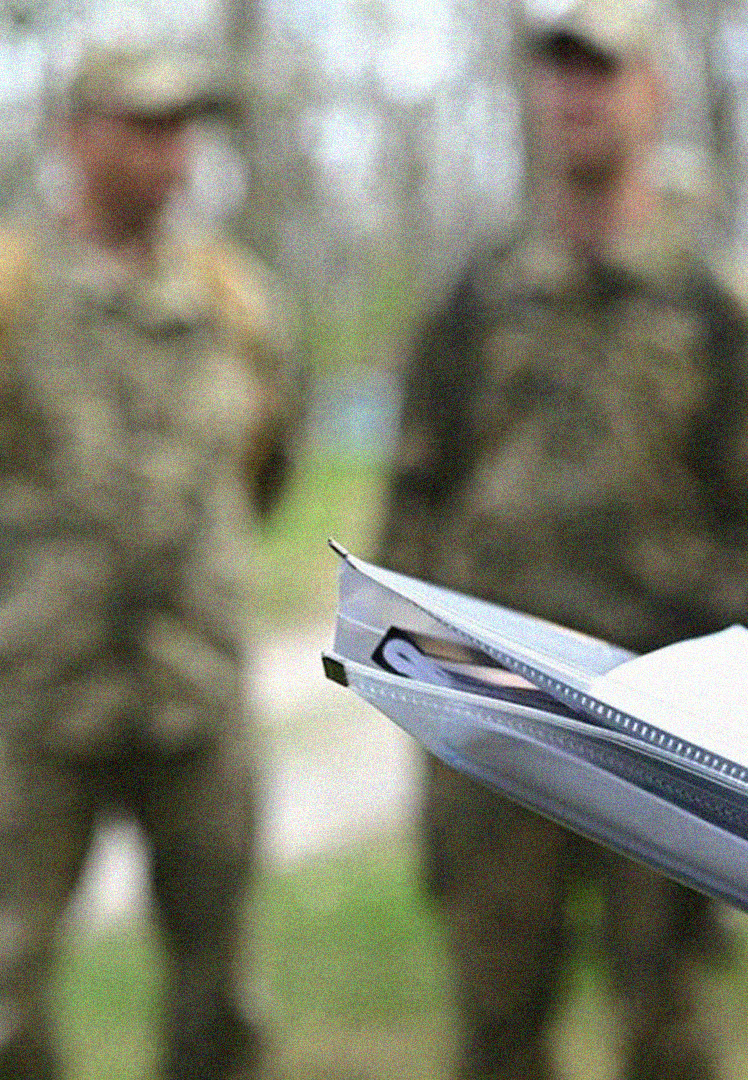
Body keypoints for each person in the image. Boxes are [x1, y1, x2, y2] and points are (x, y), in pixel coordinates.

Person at [375, 2, 748, 1078]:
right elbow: (418, 493)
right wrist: (421, 683)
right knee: (496, 1022)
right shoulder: (478, 295)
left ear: (653, 92)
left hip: (654, 726)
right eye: (558, 70)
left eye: (602, 70)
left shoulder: (716, 301)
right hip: (493, 713)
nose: (577, 94)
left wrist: (711, 695)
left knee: (667, 1032)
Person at [0, 45, 304, 1080]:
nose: (171, 151)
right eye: (144, 124)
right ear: (75, 135)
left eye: (183, 128)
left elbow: (268, 473)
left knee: (218, 999)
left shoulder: (237, 302)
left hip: (196, 698)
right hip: (34, 704)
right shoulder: (12, 289)